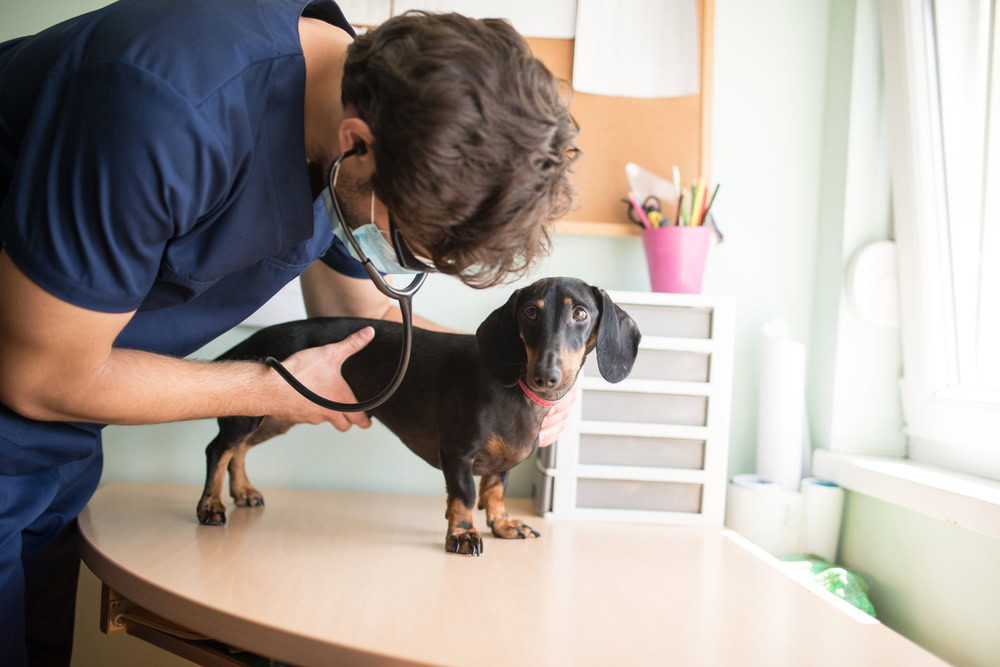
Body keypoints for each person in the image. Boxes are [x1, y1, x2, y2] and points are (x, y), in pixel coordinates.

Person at [0, 0, 580, 663]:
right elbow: (42, 374)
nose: (404, 264)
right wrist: (266, 386)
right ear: (356, 144)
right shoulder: (166, 110)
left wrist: (508, 380)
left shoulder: (365, 116)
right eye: (414, 252)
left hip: (59, 445)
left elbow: (367, 318)